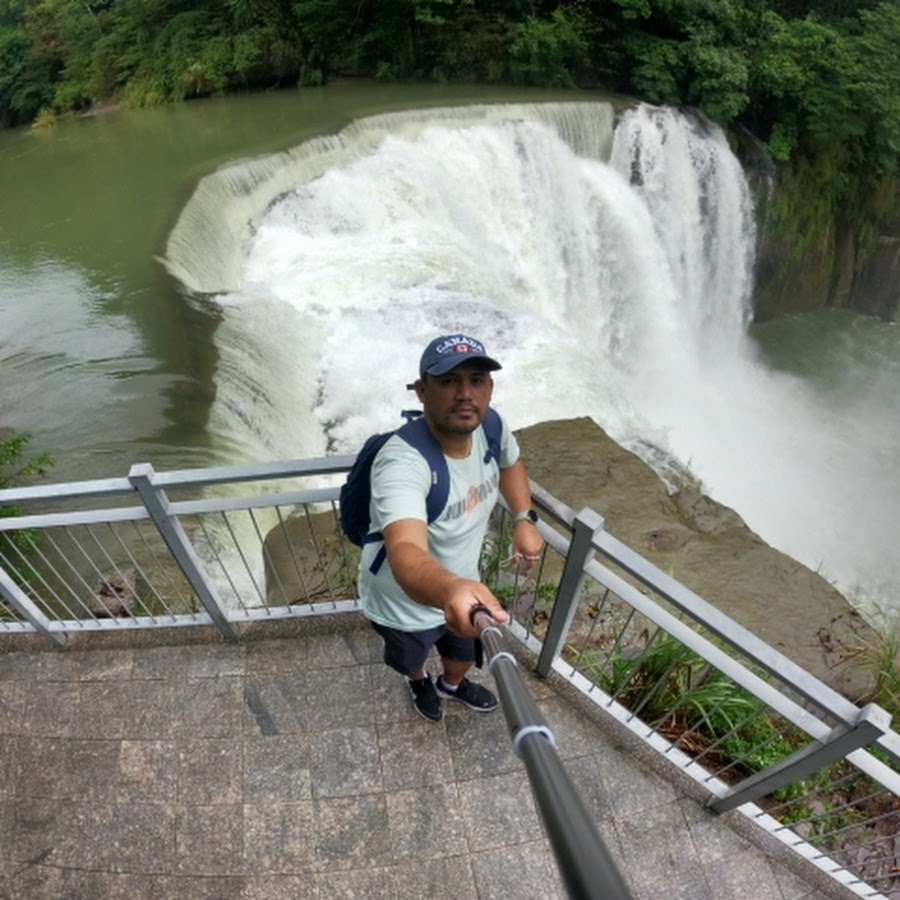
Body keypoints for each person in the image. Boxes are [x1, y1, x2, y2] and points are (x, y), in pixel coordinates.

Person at [359, 333, 544, 722]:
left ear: (490, 388)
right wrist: (451, 589)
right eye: (448, 381)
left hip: (464, 590)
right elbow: (405, 550)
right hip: (402, 602)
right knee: (411, 658)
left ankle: (452, 685)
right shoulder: (402, 463)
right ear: (422, 391)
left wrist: (523, 518)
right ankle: (419, 682)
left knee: (461, 654)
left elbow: (511, 462)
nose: (465, 394)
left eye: (476, 380)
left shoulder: (491, 426)